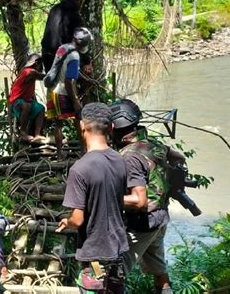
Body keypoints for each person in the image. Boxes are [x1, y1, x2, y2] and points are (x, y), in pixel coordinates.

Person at [110, 99, 185, 294]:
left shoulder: (128, 156)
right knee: (158, 269)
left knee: (114, 274)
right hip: (160, 217)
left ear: (114, 127)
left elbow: (138, 201)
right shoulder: (153, 145)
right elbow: (179, 158)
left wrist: (107, 199)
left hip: (142, 223)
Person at [56, 103, 129, 293]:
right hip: (118, 247)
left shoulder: (80, 169)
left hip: (96, 254)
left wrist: (67, 221)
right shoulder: (119, 160)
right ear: (111, 128)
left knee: (94, 287)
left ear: (82, 126)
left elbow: (78, 219)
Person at [46, 27, 93, 159]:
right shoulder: (75, 56)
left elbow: (68, 70)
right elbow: (68, 80)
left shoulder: (63, 48)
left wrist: (86, 78)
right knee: (79, 119)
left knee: (58, 123)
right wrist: (75, 101)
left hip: (52, 90)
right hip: (63, 92)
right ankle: (84, 150)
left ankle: (60, 153)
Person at [41, 0, 85, 73]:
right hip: (60, 55)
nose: (81, 6)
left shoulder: (54, 9)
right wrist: (86, 61)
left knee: (51, 84)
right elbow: (81, 40)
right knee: (67, 83)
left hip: (46, 53)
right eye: (82, 3)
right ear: (79, 0)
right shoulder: (75, 16)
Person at [9, 53, 46, 142]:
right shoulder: (30, 72)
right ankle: (23, 133)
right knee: (26, 106)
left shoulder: (28, 71)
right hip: (16, 102)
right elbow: (43, 77)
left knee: (41, 108)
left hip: (26, 101)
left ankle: (37, 134)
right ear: (36, 63)